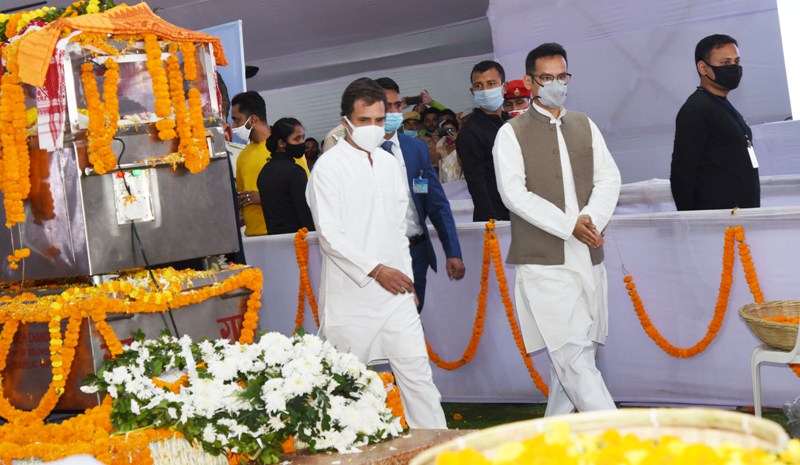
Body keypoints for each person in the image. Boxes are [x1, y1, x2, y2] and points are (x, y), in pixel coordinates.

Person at [306, 77, 447, 429]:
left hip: (397, 292)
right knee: (347, 387)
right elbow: (330, 236)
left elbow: (398, 227)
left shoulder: (388, 164)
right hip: (352, 295)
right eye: (365, 121)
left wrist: (408, 282)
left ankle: (438, 448)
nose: (373, 128)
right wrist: (377, 270)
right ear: (345, 122)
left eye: (379, 120)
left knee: (417, 374)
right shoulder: (328, 167)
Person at [493, 42, 621, 416]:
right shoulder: (511, 133)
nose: (556, 85)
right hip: (544, 261)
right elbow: (513, 194)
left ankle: (551, 444)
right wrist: (570, 225)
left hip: (589, 253)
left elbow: (608, 178)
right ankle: (626, 446)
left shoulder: (584, 123)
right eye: (546, 78)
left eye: (561, 76)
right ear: (530, 82)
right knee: (575, 359)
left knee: (577, 360)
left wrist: (590, 221)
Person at [375, 77, 465, 312]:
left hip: (416, 251)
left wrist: (452, 250)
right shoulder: (359, 152)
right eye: (387, 106)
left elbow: (436, 202)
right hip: (379, 258)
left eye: (397, 105)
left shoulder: (415, 149)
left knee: (414, 318)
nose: (394, 112)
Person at [670, 34, 760, 211]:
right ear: (703, 67)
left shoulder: (722, 104)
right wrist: (692, 222)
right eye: (725, 63)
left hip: (740, 217)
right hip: (718, 222)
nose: (733, 68)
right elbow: (683, 173)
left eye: (736, 62)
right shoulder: (696, 109)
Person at [457, 60, 510, 222]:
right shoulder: (471, 132)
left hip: (520, 212)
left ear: (504, 87)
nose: (485, 90)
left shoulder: (511, 123)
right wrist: (493, 223)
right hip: (495, 220)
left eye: (491, 83)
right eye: (479, 86)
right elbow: (477, 184)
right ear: (473, 91)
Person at [257, 118, 315, 235]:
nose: (302, 143)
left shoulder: (264, 171)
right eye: (296, 139)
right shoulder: (295, 172)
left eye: (303, 137)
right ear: (281, 143)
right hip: (298, 241)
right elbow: (304, 213)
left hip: (274, 240)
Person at [232, 91, 271, 236]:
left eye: (237, 120)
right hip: (252, 236)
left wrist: (264, 198)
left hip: (282, 234)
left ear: (253, 120)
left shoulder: (284, 147)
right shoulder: (243, 155)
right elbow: (243, 199)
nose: (233, 126)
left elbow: (303, 194)